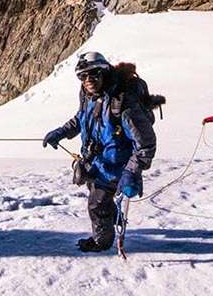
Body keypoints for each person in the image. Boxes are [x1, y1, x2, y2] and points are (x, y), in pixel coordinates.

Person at [42, 52, 157, 253]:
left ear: (104, 72)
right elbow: (81, 119)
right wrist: (61, 132)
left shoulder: (123, 104)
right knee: (98, 198)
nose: (88, 80)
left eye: (93, 74)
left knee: (96, 204)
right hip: (97, 163)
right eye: (83, 76)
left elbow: (146, 144)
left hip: (118, 167)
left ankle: (101, 242)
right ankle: (109, 222)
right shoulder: (89, 97)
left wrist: (131, 172)